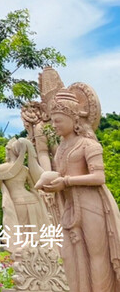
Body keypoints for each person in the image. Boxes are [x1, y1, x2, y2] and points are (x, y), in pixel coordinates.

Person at [37, 86, 120, 292]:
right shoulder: (61, 148)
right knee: (70, 255)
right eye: (52, 120)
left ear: (73, 119)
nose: (54, 125)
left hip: (93, 207)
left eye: (58, 120)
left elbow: (99, 177)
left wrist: (65, 182)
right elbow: (61, 174)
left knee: (97, 256)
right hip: (71, 207)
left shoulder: (88, 145)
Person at [0, 137, 52, 254]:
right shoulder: (25, 169)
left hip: (17, 203)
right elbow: (34, 186)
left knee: (21, 237)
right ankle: (37, 261)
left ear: (9, 151)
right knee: (33, 236)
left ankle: (26, 262)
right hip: (33, 201)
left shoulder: (1, 168)